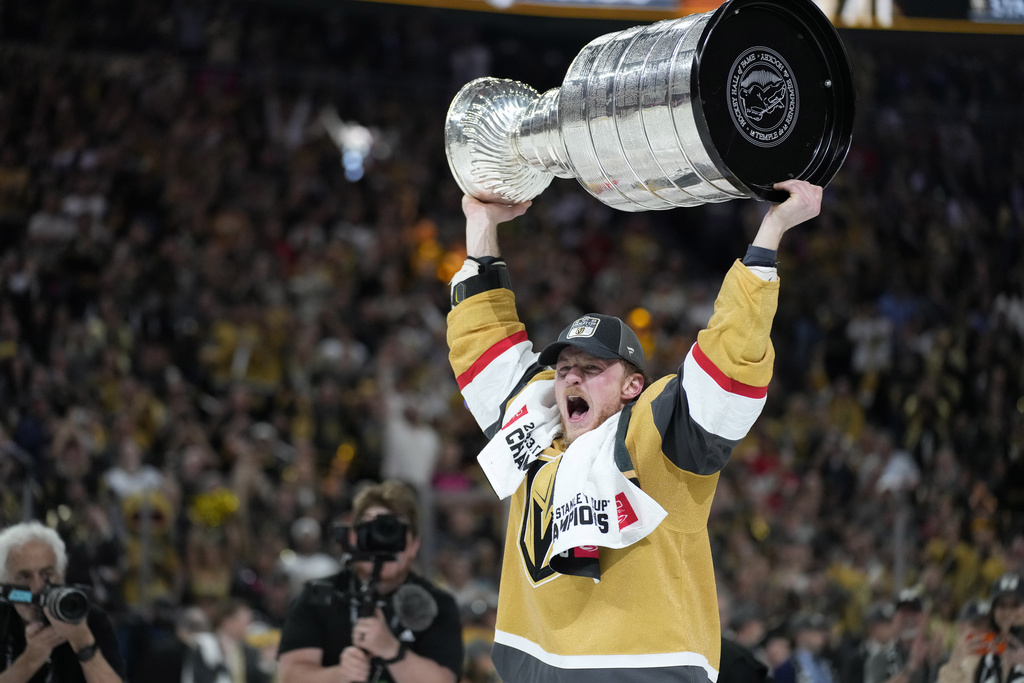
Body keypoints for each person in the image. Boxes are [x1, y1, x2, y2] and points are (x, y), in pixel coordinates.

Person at [446, 180, 822, 682]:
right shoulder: (532, 424)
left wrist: (770, 233)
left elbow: (729, 362)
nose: (573, 378)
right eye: (564, 370)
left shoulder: (659, 434)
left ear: (632, 386)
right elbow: (483, 342)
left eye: (594, 369)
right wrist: (481, 227)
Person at [276, 480, 463, 683]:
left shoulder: (436, 604)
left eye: (392, 530)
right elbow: (289, 676)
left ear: (414, 545)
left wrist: (391, 649)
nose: (382, 542)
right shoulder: (318, 595)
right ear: (353, 537)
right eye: (371, 529)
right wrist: (340, 675)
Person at [0, 520, 125, 683]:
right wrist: (30, 661)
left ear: (62, 575)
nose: (37, 588)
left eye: (46, 574)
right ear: (4, 583)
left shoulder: (90, 620)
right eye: (25, 577)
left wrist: (83, 643)